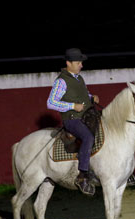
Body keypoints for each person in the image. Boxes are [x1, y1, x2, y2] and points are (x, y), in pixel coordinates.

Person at [47, 48, 99, 196]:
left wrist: (91, 97)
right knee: (88, 137)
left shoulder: (79, 78)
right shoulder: (61, 81)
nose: (81, 65)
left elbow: (81, 94)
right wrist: (72, 106)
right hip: (72, 119)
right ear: (68, 63)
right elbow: (51, 102)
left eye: (81, 62)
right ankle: (82, 176)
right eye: (78, 63)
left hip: (86, 115)